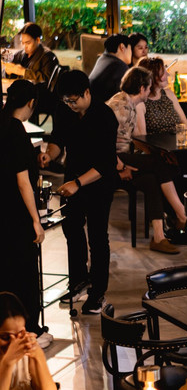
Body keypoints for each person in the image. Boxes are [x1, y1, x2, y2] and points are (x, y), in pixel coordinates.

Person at [38, 70, 118, 315]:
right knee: (71, 228)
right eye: (66, 101)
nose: (70, 105)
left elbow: (106, 164)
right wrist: (49, 154)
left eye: (74, 100)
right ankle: (79, 281)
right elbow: (58, 139)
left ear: (86, 92)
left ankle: (98, 293)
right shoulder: (64, 110)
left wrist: (78, 183)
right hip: (72, 178)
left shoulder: (105, 116)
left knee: (97, 236)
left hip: (98, 182)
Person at [107, 66, 187, 253]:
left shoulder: (129, 103)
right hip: (113, 162)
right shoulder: (120, 107)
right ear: (142, 88)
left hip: (123, 157)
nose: (150, 90)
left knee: (152, 178)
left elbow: (132, 139)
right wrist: (121, 167)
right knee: (160, 164)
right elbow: (102, 144)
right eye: (149, 87)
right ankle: (182, 215)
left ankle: (158, 237)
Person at [0, 80, 53, 349]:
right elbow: (23, 182)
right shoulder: (16, 130)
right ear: (32, 103)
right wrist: (36, 220)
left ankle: (7, 331)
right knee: (26, 273)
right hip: (15, 212)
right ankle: (30, 331)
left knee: (5, 270)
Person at [0, 292, 56, 390]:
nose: (14, 343)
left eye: (20, 333)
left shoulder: (25, 349)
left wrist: (38, 356)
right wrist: (8, 363)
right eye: (5, 337)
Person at [137, 56, 187, 135]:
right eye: (163, 72)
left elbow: (185, 124)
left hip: (178, 140)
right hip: (156, 142)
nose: (168, 74)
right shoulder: (141, 102)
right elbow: (142, 137)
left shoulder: (169, 94)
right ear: (153, 76)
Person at [88, 33, 132, 103]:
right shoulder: (120, 66)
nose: (131, 53)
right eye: (130, 49)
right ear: (122, 47)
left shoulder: (101, 59)